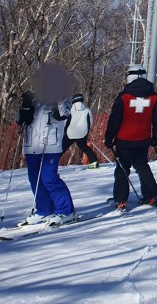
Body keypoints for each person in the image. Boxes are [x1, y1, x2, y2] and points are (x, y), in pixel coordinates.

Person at [16, 84, 76, 225]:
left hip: (50, 146)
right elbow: (20, 120)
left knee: (49, 178)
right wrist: (25, 105)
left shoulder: (63, 99)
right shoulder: (34, 101)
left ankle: (66, 210)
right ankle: (44, 210)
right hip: (32, 147)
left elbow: (63, 114)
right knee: (35, 180)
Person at [105, 64, 157, 210]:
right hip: (143, 139)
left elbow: (115, 119)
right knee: (142, 166)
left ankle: (120, 199)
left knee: (122, 169)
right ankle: (151, 196)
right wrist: (156, 137)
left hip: (124, 139)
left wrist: (109, 137)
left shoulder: (124, 96)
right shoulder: (154, 97)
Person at [62, 93, 99, 168]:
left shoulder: (71, 110)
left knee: (62, 148)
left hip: (70, 133)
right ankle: (94, 162)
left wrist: (64, 131)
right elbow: (90, 122)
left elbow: (66, 121)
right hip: (82, 133)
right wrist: (86, 132)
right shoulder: (87, 110)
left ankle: (52, 163)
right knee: (85, 147)